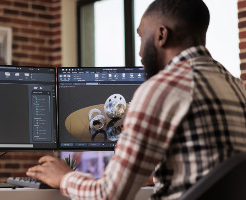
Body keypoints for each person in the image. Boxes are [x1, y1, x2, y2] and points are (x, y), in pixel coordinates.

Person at [26, 0, 246, 199]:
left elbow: (109, 194)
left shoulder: (159, 90)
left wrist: (63, 177)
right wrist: (160, 176)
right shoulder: (238, 87)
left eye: (141, 36)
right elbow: (214, 174)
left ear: (161, 35)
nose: (140, 51)